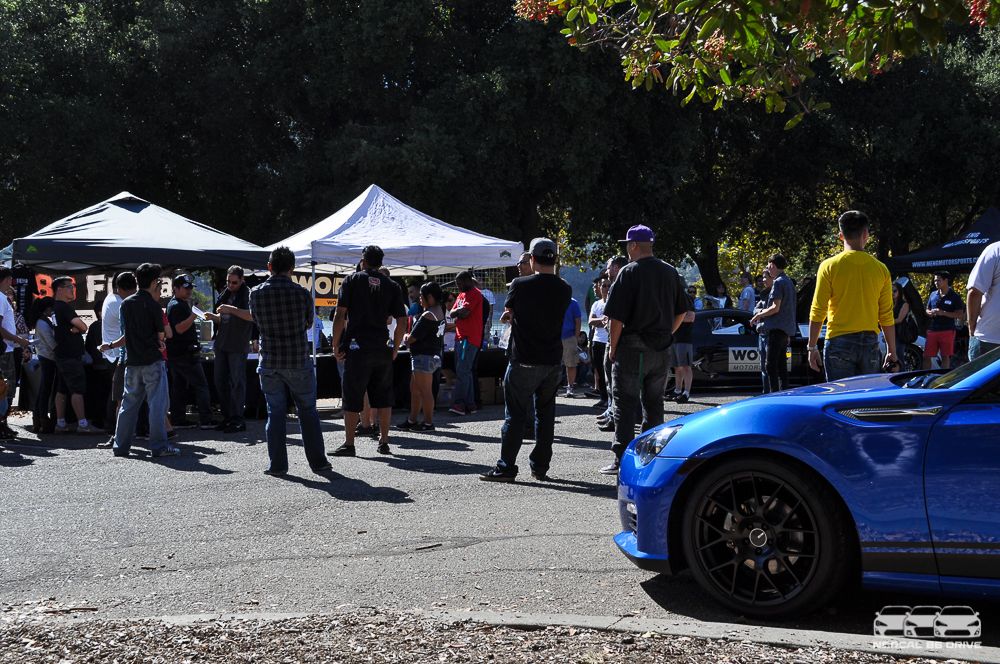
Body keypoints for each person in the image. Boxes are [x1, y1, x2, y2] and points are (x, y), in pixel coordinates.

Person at [481, 237, 571, 482]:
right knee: (546, 414)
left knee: (515, 414)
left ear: (532, 259)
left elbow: (510, 312)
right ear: (555, 258)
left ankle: (506, 466)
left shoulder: (519, 285)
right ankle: (540, 466)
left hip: (524, 358)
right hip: (552, 359)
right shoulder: (564, 288)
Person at [600, 225, 686, 475]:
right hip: (661, 349)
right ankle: (652, 458)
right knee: (654, 404)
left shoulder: (629, 272)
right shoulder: (670, 271)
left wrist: (612, 347)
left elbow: (616, 318)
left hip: (632, 349)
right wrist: (667, 332)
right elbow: (682, 311)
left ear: (633, 245)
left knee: (625, 405)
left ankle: (622, 460)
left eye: (627, 245)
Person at [249, 246, 331, 475]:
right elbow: (308, 323)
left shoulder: (255, 293)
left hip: (270, 361)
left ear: (269, 267)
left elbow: (256, 321)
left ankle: (277, 465)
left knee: (275, 413)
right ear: (292, 268)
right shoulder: (302, 293)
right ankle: (318, 462)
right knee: (308, 411)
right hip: (298, 359)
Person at [329, 245, 407, 457]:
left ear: (363, 261)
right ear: (381, 263)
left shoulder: (351, 280)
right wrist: (395, 347)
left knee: (352, 396)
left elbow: (340, 314)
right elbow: (402, 320)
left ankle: (349, 443)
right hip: (382, 346)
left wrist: (335, 344)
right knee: (383, 396)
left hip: (357, 347)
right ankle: (384, 441)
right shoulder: (392, 285)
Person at [100, 263, 179, 458]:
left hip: (131, 361)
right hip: (153, 360)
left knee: (128, 406)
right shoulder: (154, 305)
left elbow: (125, 333)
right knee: (157, 406)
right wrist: (159, 342)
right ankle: (159, 446)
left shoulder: (126, 304)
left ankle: (120, 446)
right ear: (153, 282)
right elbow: (162, 335)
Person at [808, 210, 897, 380]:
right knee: (867, 395)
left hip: (838, 341)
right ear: (866, 234)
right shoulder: (881, 269)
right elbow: (886, 315)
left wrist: (812, 347)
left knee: (840, 395)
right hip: (870, 343)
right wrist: (892, 351)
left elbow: (818, 310)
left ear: (841, 236)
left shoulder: (829, 266)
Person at [204, 266, 253, 433]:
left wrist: (229, 309)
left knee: (237, 382)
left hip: (237, 345)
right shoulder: (226, 294)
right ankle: (227, 417)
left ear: (242, 280)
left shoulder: (247, 294)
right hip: (222, 344)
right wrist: (214, 317)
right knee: (220, 381)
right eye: (228, 282)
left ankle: (238, 419)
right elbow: (225, 318)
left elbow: (251, 315)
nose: (231, 285)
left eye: (234, 282)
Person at [50, 276, 102, 434]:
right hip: (70, 355)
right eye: (69, 286)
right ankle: (83, 424)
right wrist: (77, 328)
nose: (72, 289)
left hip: (62, 353)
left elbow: (74, 327)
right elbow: (83, 326)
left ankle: (60, 423)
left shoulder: (55, 307)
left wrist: (75, 329)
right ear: (59, 289)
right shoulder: (64, 307)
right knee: (77, 389)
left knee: (62, 389)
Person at [166, 274, 214, 429]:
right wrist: (194, 314)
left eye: (190, 288)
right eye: (185, 288)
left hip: (178, 353)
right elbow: (179, 329)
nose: (189, 291)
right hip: (184, 354)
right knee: (201, 385)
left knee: (179, 387)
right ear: (175, 288)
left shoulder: (178, 304)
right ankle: (206, 419)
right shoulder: (177, 306)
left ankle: (178, 419)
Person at [398, 281, 446, 431]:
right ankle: (412, 420)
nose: (419, 299)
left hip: (423, 357)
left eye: (421, 296)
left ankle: (428, 423)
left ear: (429, 297)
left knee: (425, 391)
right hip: (430, 356)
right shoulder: (439, 310)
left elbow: (412, 338)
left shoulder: (428, 314)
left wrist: (405, 336)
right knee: (415, 389)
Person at [750, 254, 797, 393]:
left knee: (770, 365)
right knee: (782, 365)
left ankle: (774, 394)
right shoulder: (789, 282)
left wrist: (758, 315)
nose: (768, 268)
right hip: (786, 330)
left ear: (773, 265)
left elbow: (775, 307)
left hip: (776, 329)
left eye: (769, 265)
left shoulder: (778, 282)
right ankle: (784, 392)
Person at [99, 272, 137, 441]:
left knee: (117, 395)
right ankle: (115, 430)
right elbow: (129, 334)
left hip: (113, 352)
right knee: (119, 396)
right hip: (116, 353)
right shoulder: (119, 303)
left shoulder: (112, 298)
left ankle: (116, 430)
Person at [595, 256, 630, 432]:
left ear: (616, 268)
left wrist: (612, 347)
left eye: (608, 267)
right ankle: (611, 413)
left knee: (615, 383)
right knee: (613, 383)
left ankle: (615, 420)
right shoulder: (627, 285)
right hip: (619, 340)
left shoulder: (618, 286)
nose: (607, 271)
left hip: (615, 341)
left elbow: (617, 319)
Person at [0, 267, 31, 439]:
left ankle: (4, 424)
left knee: (7, 388)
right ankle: (1, 425)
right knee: (6, 388)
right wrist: (18, 339)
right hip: (4, 350)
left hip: (8, 348)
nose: (11, 283)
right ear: (6, 279)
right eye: (10, 279)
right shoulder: (0, 298)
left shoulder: (3, 298)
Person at [447, 271, 484, 416]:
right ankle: (470, 404)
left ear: (468, 280)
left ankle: (460, 403)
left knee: (463, 371)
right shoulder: (461, 295)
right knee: (465, 371)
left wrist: (458, 313)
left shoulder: (475, 294)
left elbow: (466, 313)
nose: (458, 286)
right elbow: (451, 313)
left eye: (460, 283)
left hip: (469, 338)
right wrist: (458, 312)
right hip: (461, 338)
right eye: (457, 284)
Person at [27, 297, 57, 434]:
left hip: (46, 356)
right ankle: (42, 418)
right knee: (45, 390)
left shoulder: (43, 321)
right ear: (47, 308)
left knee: (44, 389)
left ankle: (38, 418)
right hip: (47, 357)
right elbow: (51, 342)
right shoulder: (42, 323)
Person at [923, 272, 963, 370]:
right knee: (926, 356)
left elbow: (959, 314)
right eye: (935, 280)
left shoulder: (954, 296)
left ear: (946, 280)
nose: (936, 282)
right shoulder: (933, 294)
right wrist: (930, 312)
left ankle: (943, 377)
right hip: (933, 330)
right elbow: (927, 309)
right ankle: (925, 376)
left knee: (945, 356)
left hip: (947, 330)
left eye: (938, 280)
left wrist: (943, 313)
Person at [668, 280, 696, 404]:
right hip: (674, 338)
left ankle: (686, 393)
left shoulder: (686, 298)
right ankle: (678, 390)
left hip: (684, 339)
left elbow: (691, 317)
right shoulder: (672, 297)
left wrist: (672, 319)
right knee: (677, 367)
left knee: (685, 366)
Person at [588, 277, 610, 410]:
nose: (606, 288)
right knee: (599, 371)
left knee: (609, 372)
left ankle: (611, 400)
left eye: (608, 286)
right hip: (597, 341)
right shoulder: (596, 304)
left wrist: (600, 321)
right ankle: (603, 398)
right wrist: (603, 320)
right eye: (603, 286)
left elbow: (611, 321)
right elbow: (590, 321)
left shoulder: (613, 302)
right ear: (599, 288)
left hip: (608, 341)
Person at [753, 268, 774, 393]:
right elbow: (755, 310)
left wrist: (761, 313)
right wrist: (762, 312)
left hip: (771, 334)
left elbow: (774, 311)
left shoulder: (776, 292)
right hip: (761, 334)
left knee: (770, 367)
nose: (763, 280)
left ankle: (773, 393)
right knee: (763, 368)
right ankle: (766, 392)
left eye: (765, 277)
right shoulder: (764, 294)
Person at [561, 297, 583, 397]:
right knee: (552, 364)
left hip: (569, 337)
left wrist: (575, 338)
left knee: (571, 364)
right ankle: (551, 388)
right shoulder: (553, 300)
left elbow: (578, 321)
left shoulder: (573, 302)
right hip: (554, 337)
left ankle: (570, 387)